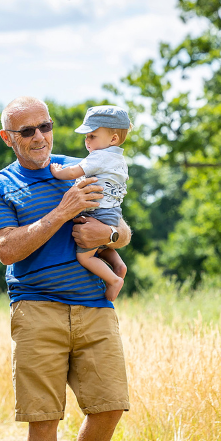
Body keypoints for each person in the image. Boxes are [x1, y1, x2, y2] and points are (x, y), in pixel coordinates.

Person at [0, 96, 132, 441]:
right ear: (9, 138)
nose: (39, 137)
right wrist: (63, 212)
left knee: (110, 406)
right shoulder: (0, 184)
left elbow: (123, 230)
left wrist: (107, 235)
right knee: (43, 416)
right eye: (26, 131)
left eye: (44, 127)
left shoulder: (83, 165)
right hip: (36, 308)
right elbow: (7, 250)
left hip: (94, 308)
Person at [49, 105, 132, 301]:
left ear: (113, 139)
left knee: (84, 256)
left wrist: (56, 171)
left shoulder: (99, 157)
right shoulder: (119, 160)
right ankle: (119, 266)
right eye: (86, 136)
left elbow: (72, 173)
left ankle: (113, 279)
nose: (87, 141)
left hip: (97, 212)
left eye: (92, 136)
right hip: (112, 213)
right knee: (101, 246)